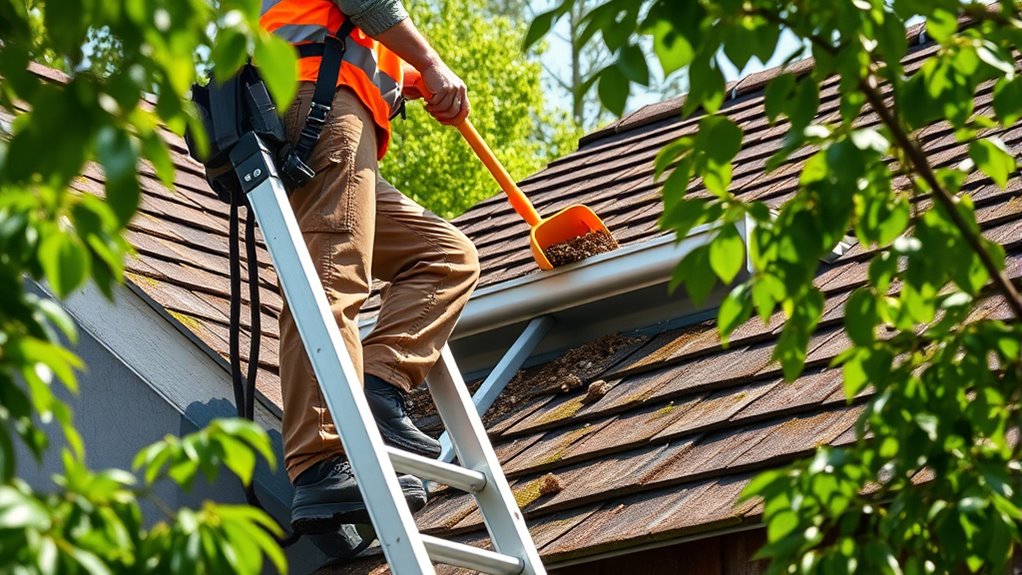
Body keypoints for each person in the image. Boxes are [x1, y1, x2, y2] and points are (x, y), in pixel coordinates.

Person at [259, 0, 481, 533]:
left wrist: (410, 78)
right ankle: (320, 458)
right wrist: (431, 62)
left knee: (446, 257)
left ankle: (378, 387)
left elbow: (352, 25)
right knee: (331, 275)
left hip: (326, 104)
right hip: (323, 103)